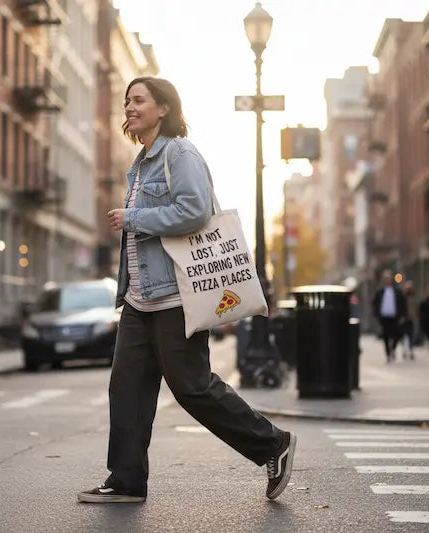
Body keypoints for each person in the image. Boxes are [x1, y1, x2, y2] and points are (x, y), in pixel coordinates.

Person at [77, 77, 296, 504]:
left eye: (139, 99)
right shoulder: (139, 163)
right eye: (127, 101)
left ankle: (273, 444)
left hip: (176, 297)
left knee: (192, 388)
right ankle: (125, 481)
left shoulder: (180, 153)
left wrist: (135, 217)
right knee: (127, 388)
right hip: (141, 299)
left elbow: (194, 211)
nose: (130, 106)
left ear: (163, 108)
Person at [372, 270, 407, 362]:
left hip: (394, 317)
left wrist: (403, 315)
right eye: (386, 279)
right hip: (384, 317)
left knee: (397, 334)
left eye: (389, 278)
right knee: (386, 336)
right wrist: (376, 314)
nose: (387, 280)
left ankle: (393, 349)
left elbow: (403, 303)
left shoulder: (397, 291)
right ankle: (388, 353)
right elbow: (375, 303)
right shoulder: (380, 291)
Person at [401, 281, 417, 360]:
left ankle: (411, 351)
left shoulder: (413, 297)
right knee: (404, 336)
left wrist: (415, 316)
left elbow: (415, 308)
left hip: (411, 319)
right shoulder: (403, 298)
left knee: (411, 336)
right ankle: (404, 350)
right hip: (404, 319)